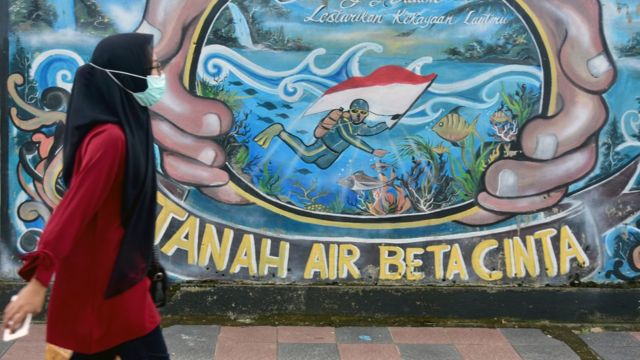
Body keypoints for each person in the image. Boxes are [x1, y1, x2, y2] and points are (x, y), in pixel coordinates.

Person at [2, 33, 169, 359]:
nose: (159, 76)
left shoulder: (127, 125)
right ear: (125, 75)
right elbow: (73, 211)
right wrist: (39, 281)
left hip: (116, 275)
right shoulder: (110, 140)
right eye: (151, 68)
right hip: (107, 284)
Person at [253, 99, 389, 169]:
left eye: (363, 113)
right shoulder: (344, 121)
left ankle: (280, 132)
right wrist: (372, 151)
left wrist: (388, 123)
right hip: (324, 146)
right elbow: (349, 137)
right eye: (355, 111)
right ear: (350, 110)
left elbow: (373, 130)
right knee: (306, 156)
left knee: (321, 165)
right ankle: (279, 131)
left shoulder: (360, 127)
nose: (359, 115)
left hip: (333, 154)